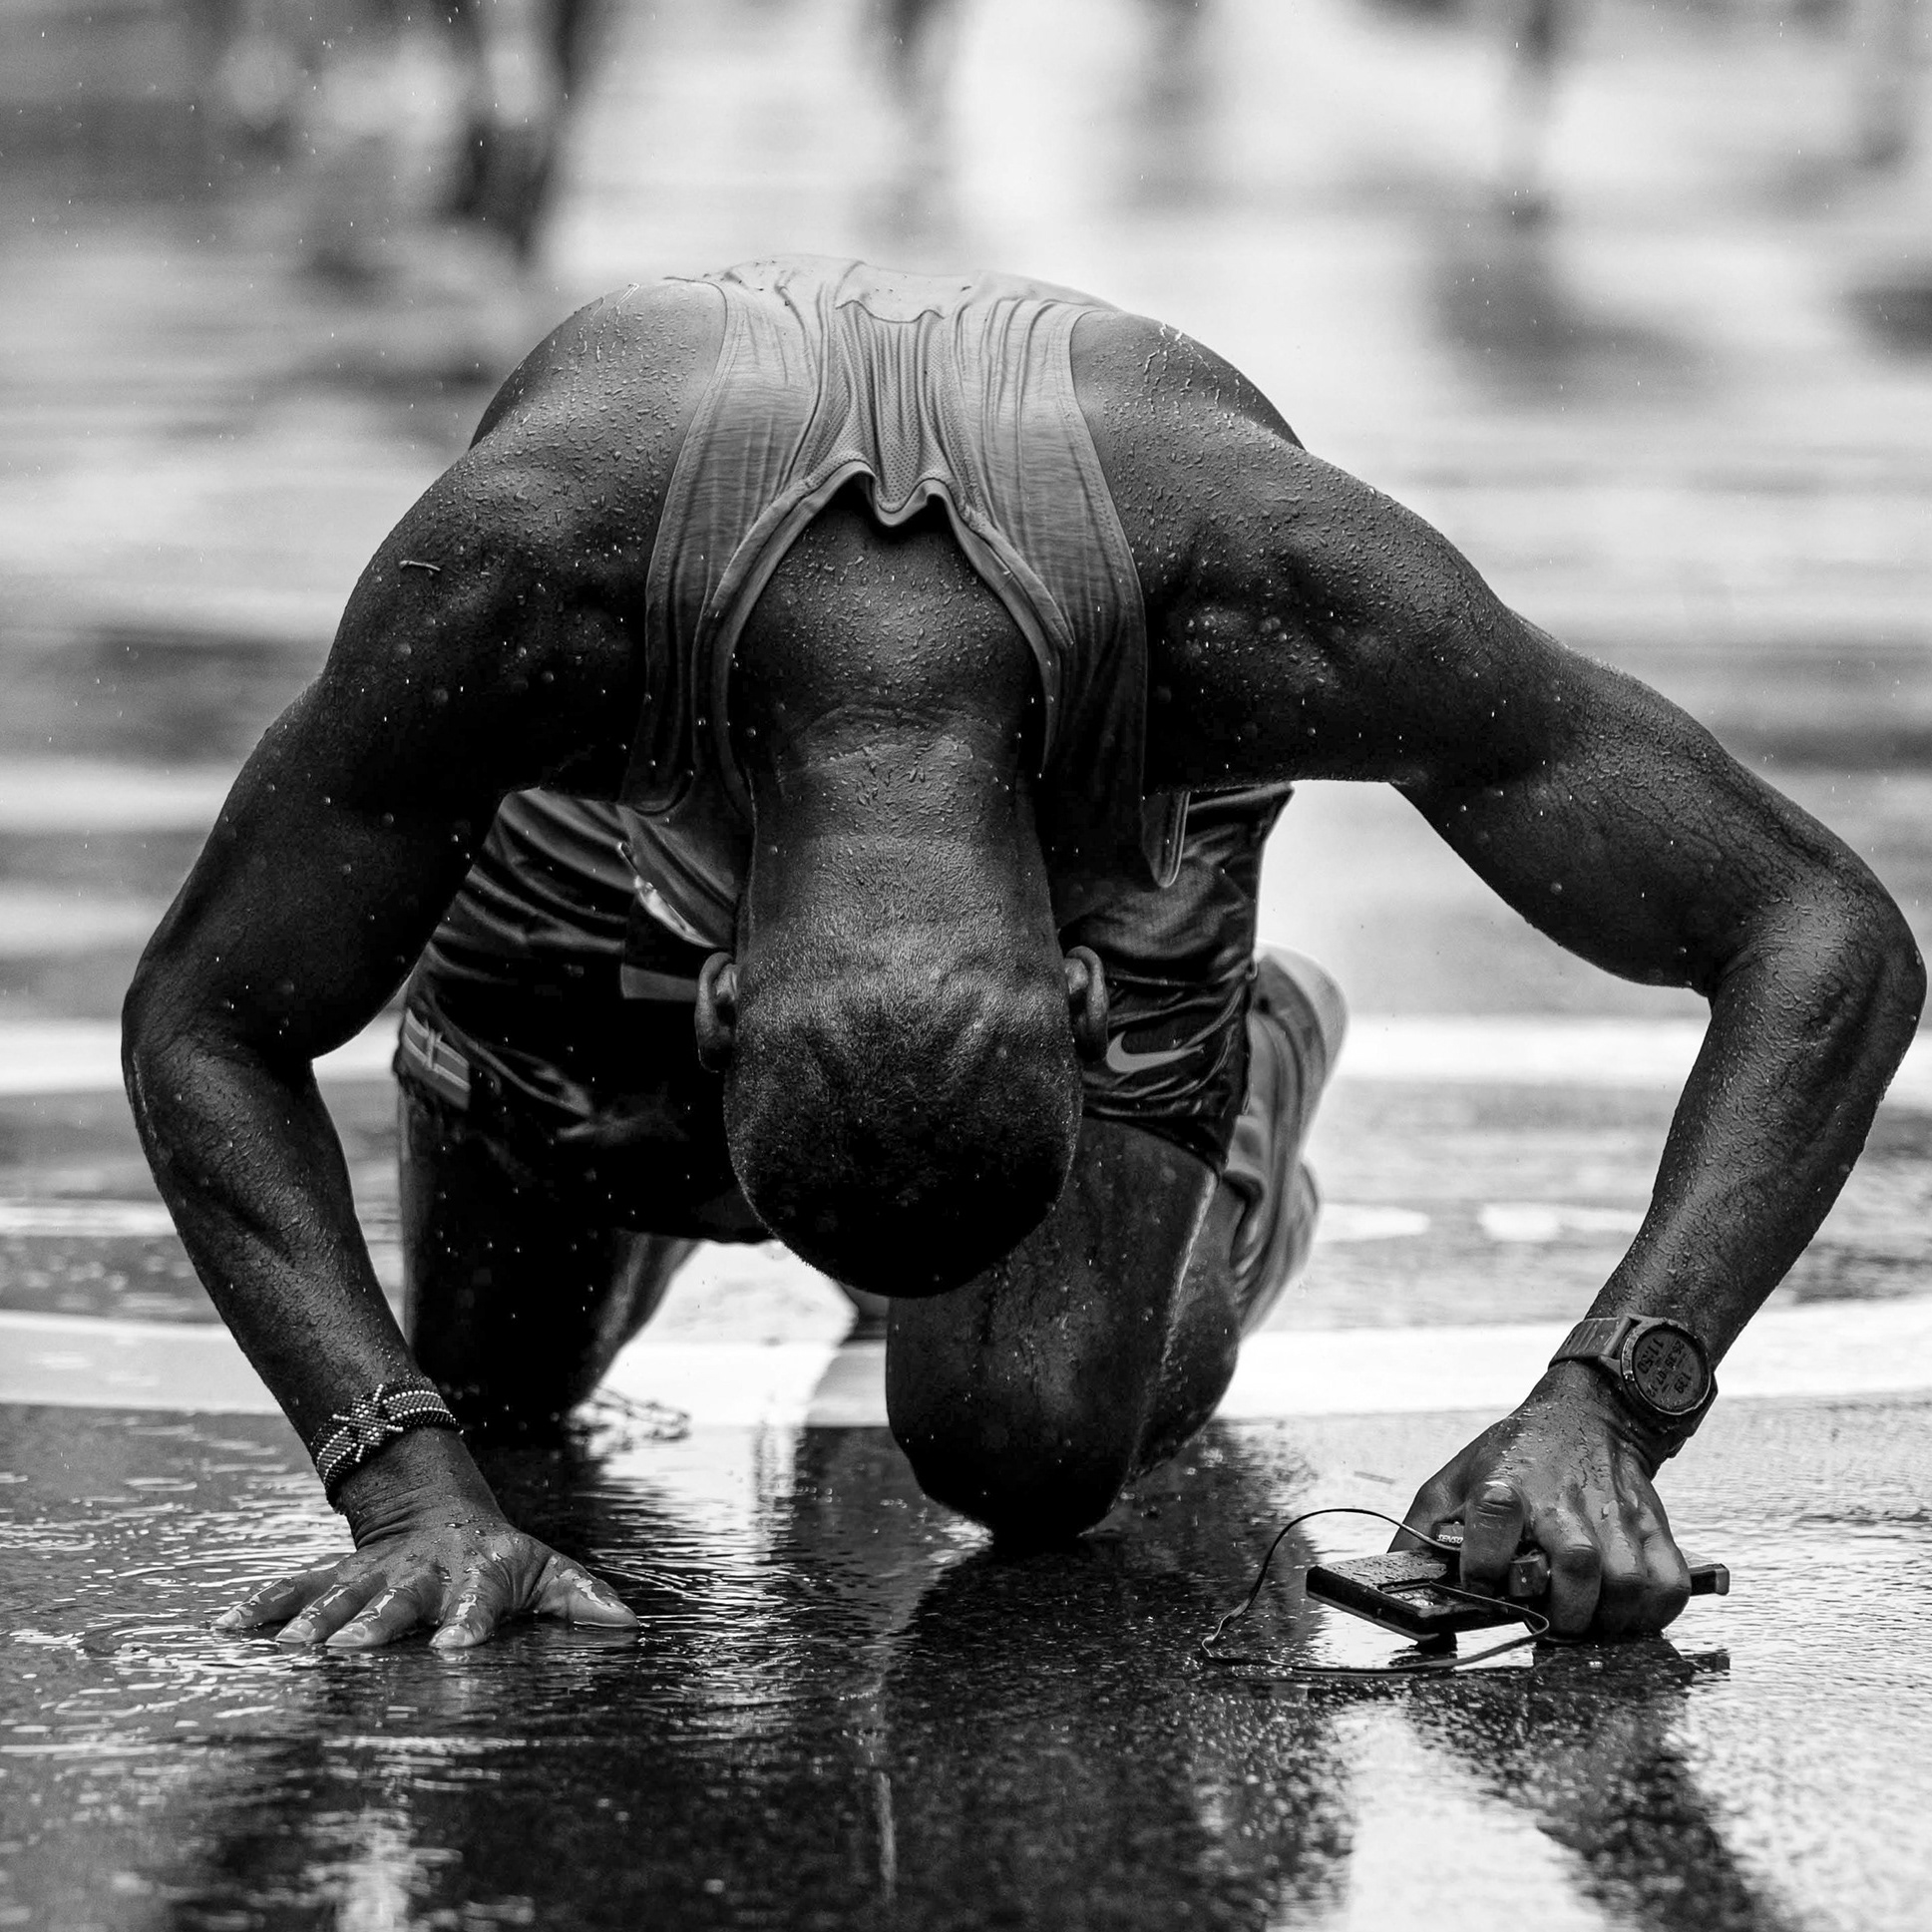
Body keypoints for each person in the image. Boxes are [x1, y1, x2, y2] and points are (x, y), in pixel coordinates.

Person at [122, 257, 1921, 1653]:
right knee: (489, 1397)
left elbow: (1814, 930)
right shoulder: (527, 586)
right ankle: (779, 1183)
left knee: (1031, 1451)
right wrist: (401, 1479)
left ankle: (1238, 1079)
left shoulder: (1267, 595)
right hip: (590, 794)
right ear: (713, 994)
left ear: (1077, 988)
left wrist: (1612, 1400)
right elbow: (205, 1017)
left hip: (1130, 794)